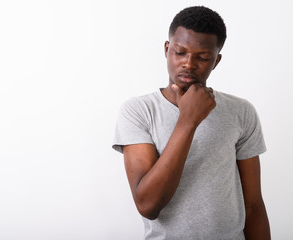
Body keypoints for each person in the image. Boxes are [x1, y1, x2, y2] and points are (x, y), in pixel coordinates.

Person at [112, 6, 271, 240]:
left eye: (203, 57)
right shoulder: (139, 111)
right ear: (167, 49)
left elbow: (254, 206)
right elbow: (147, 205)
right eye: (180, 52)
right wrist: (188, 121)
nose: (188, 63)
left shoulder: (241, 111)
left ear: (216, 61)